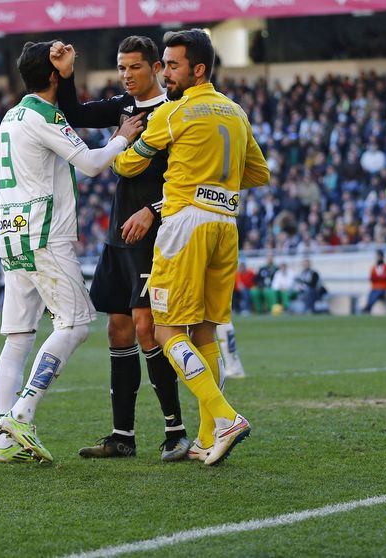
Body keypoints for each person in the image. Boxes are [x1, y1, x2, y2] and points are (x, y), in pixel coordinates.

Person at [114, 29, 270, 465]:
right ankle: (205, 438)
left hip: (184, 224)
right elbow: (260, 174)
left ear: (198, 69)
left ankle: (225, 416)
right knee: (205, 330)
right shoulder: (236, 113)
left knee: (165, 330)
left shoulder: (173, 112)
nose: (165, 73)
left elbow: (127, 165)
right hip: (225, 225)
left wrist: (125, 142)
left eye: (173, 65)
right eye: (163, 64)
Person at [0, 40, 144, 464]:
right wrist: (120, 138)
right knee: (76, 324)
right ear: (54, 75)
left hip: (13, 232)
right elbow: (92, 163)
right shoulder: (43, 115)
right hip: (44, 235)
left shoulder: (11, 115)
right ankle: (21, 412)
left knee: (18, 338)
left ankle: (1, 441)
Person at [49, 36, 189, 461]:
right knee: (119, 329)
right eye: (122, 67)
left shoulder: (175, 113)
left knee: (148, 326)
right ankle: (122, 437)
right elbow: (71, 112)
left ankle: (176, 431)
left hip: (156, 235)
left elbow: (186, 181)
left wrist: (152, 209)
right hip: (118, 236)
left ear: (156, 69)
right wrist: (67, 73)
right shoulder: (123, 108)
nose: (127, 75)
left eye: (135, 67)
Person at [362, 249, 386, 313]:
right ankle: (368, 307)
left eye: (380, 256)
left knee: (377, 292)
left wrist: (380, 277)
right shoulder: (374, 267)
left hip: (383, 288)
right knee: (371, 295)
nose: (379, 258)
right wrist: (381, 277)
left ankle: (368, 307)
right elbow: (372, 278)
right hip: (375, 287)